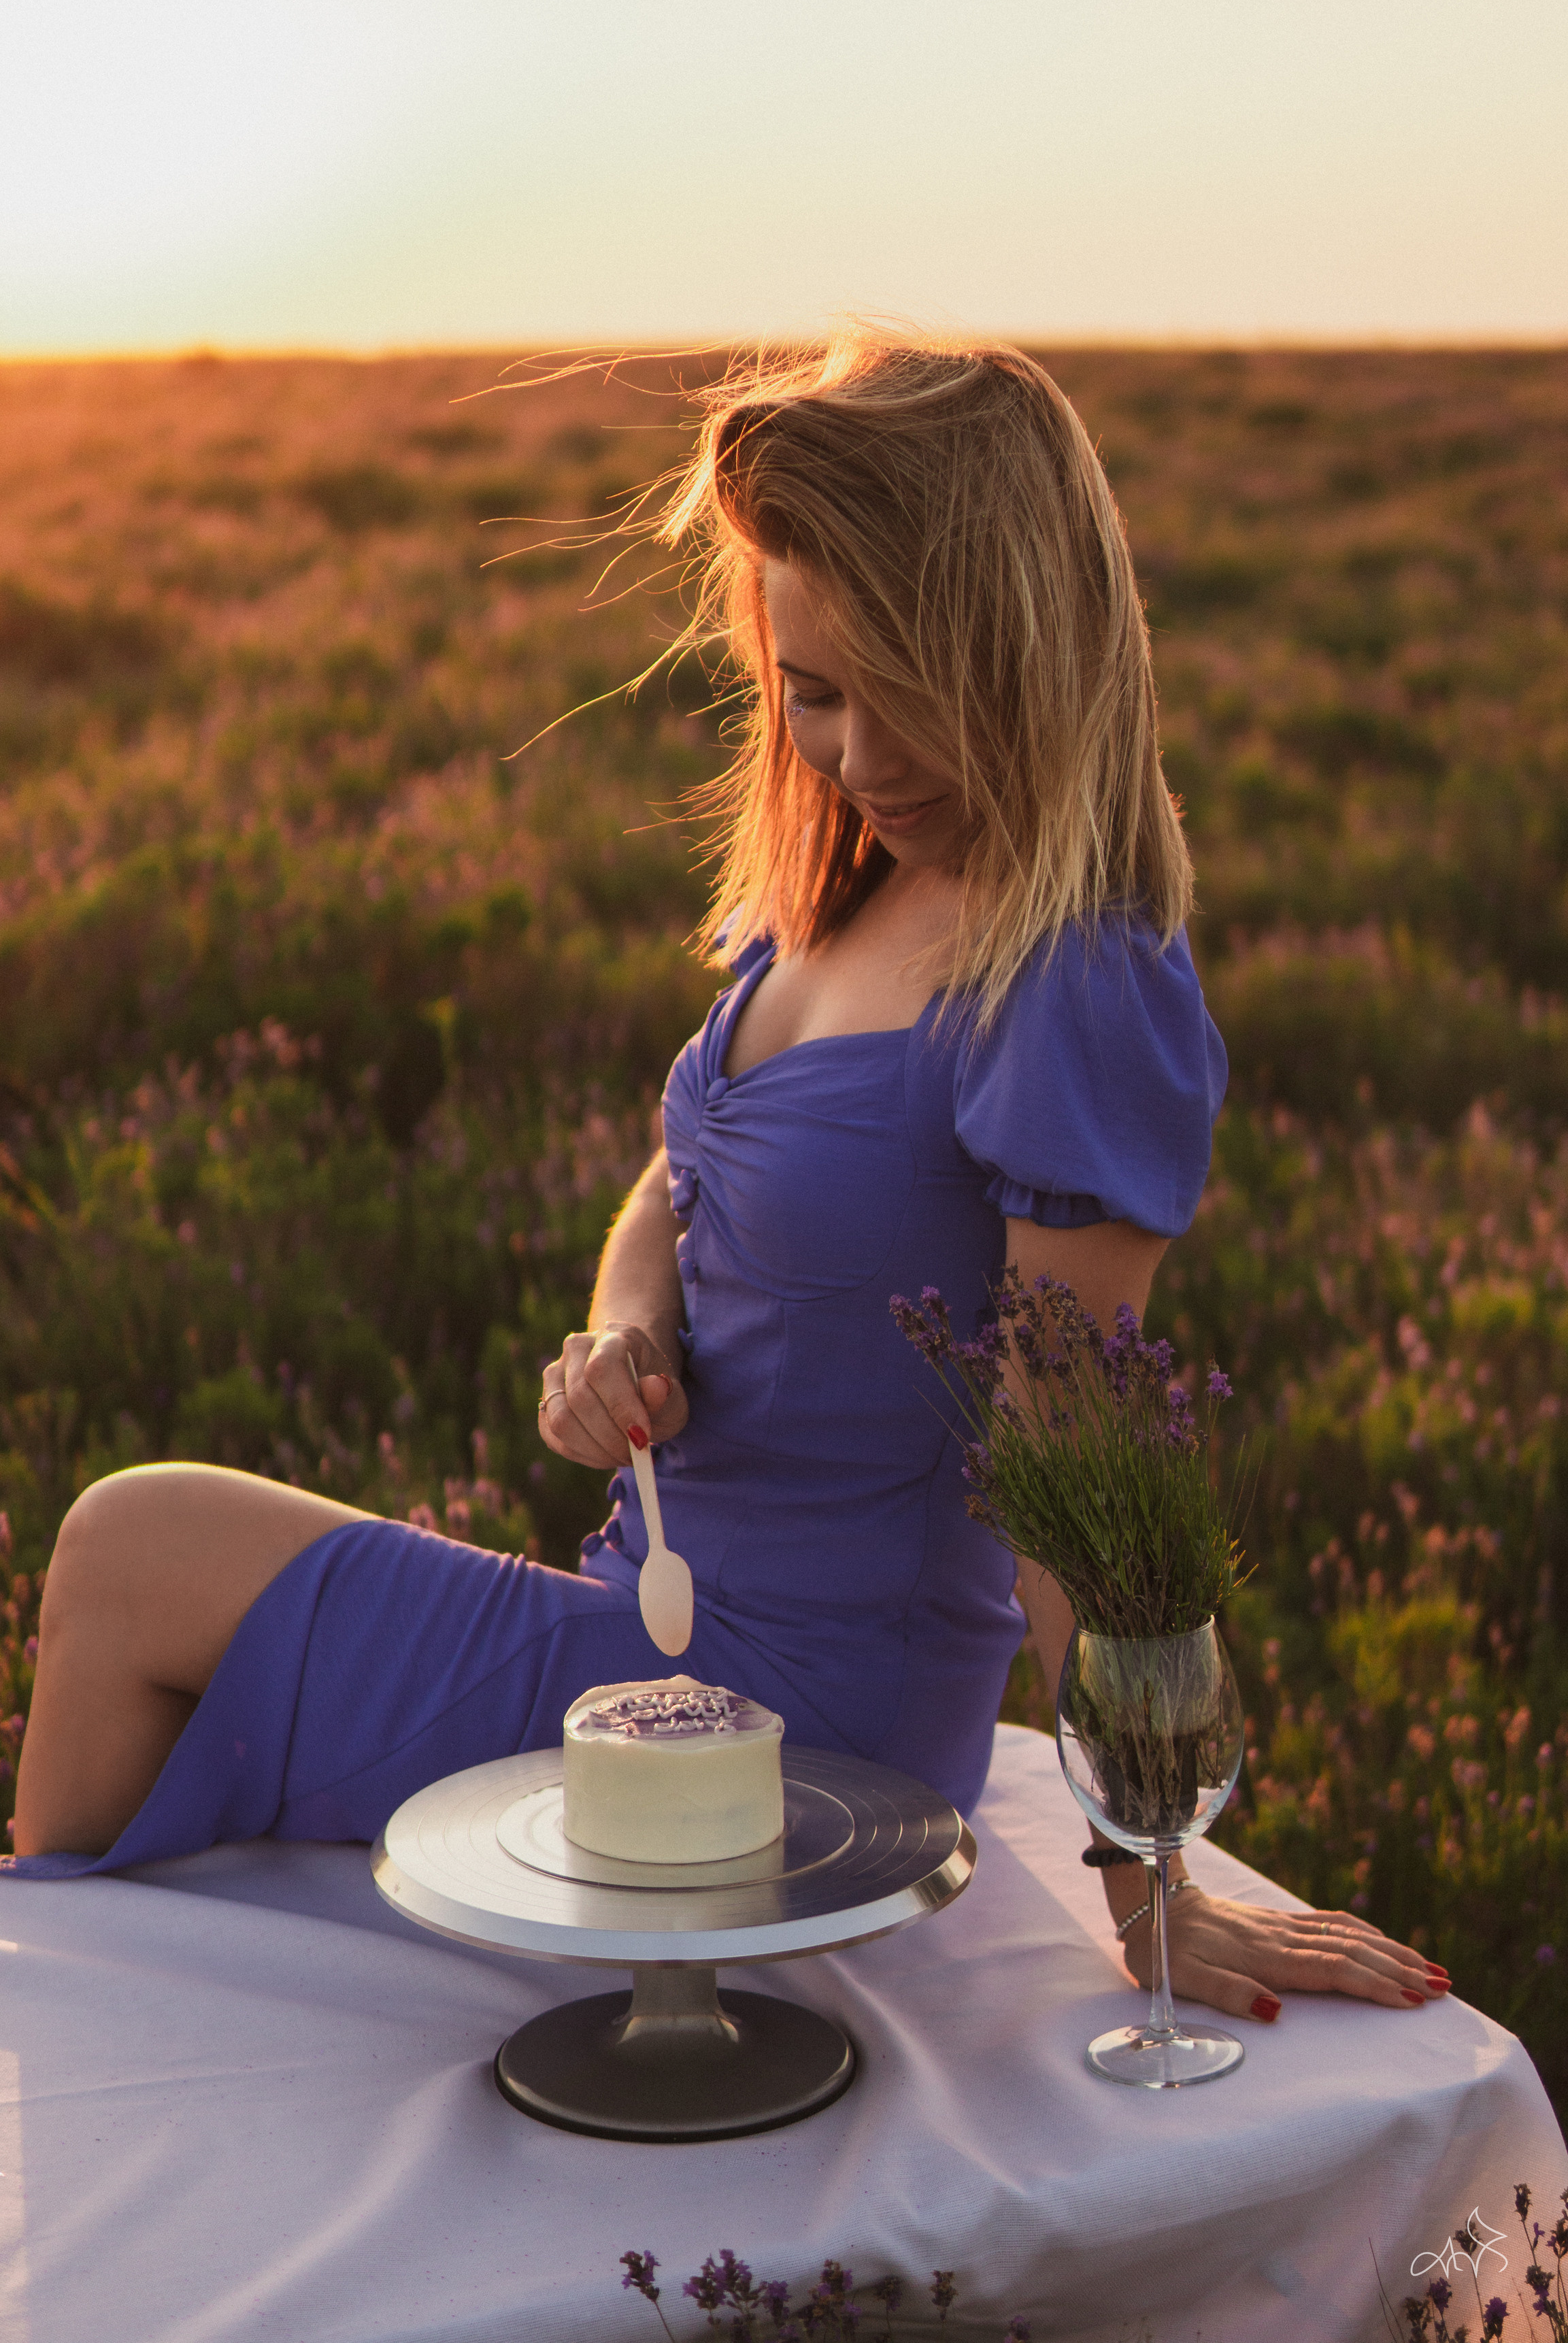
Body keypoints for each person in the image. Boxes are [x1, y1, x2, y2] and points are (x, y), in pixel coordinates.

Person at [10, 336, 1446, 2026]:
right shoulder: (838, 902)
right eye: (807, 690)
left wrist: (1149, 1872)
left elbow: (1078, 1441)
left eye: (896, 684)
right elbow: (674, 1180)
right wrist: (622, 1331)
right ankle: (89, 2019)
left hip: (790, 1712)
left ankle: (52, 2036)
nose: (848, 748)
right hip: (657, 1631)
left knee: (129, 1545)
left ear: (1025, 647)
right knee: (142, 1565)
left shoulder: (1066, 973)